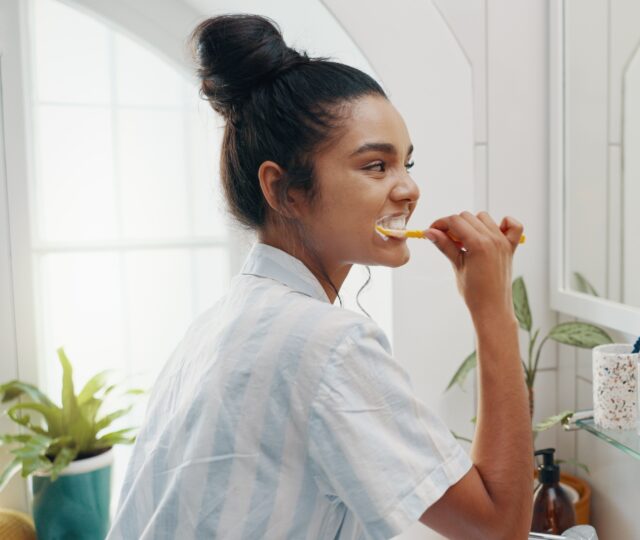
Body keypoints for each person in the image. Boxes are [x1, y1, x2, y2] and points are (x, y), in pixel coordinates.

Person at [107, 14, 532, 539]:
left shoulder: (221, 323)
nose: (408, 190)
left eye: (407, 164)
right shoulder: (327, 344)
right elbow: (499, 529)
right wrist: (494, 312)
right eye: (376, 166)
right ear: (285, 191)